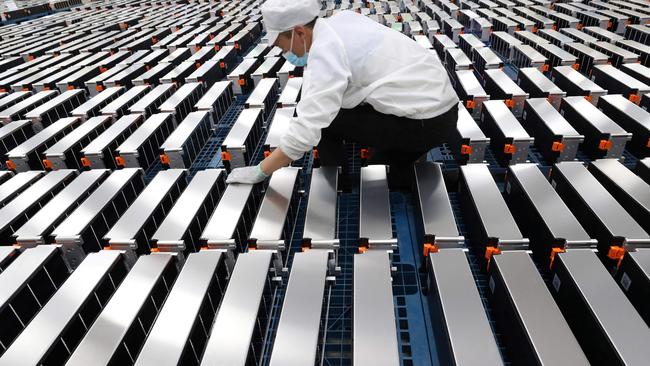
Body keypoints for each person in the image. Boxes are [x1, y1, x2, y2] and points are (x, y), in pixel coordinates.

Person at [226, 0, 459, 189]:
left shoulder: (327, 51)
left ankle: (339, 185)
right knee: (380, 169)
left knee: (330, 124)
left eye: (283, 46)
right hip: (442, 109)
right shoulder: (342, 20)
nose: (286, 53)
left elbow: (307, 130)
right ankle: (434, 173)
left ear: (298, 32)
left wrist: (261, 170)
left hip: (425, 123)